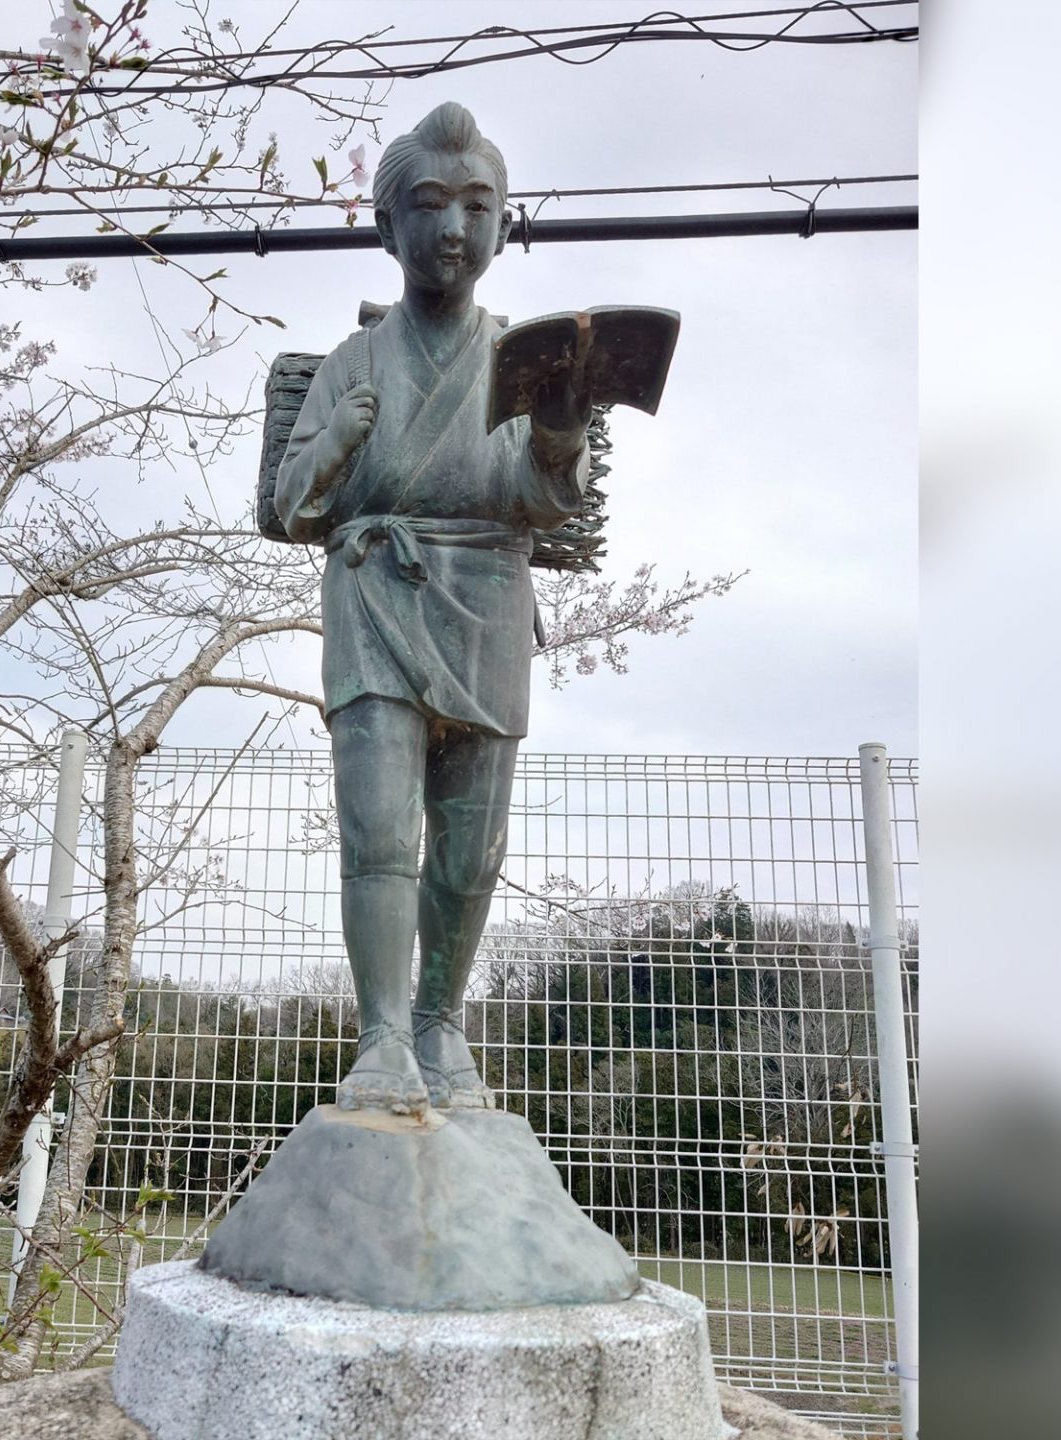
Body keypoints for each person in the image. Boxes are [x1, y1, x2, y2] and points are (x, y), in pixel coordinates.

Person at [275, 102, 594, 1115]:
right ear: (387, 224)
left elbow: (544, 500)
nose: (453, 228)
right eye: (428, 204)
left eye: (476, 206)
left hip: (489, 595)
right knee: (378, 828)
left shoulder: (522, 359)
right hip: (375, 589)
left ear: (504, 223)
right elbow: (292, 505)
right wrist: (336, 441)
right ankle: (380, 1031)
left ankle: (439, 1021)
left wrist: (558, 434)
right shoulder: (354, 362)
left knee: (471, 844)